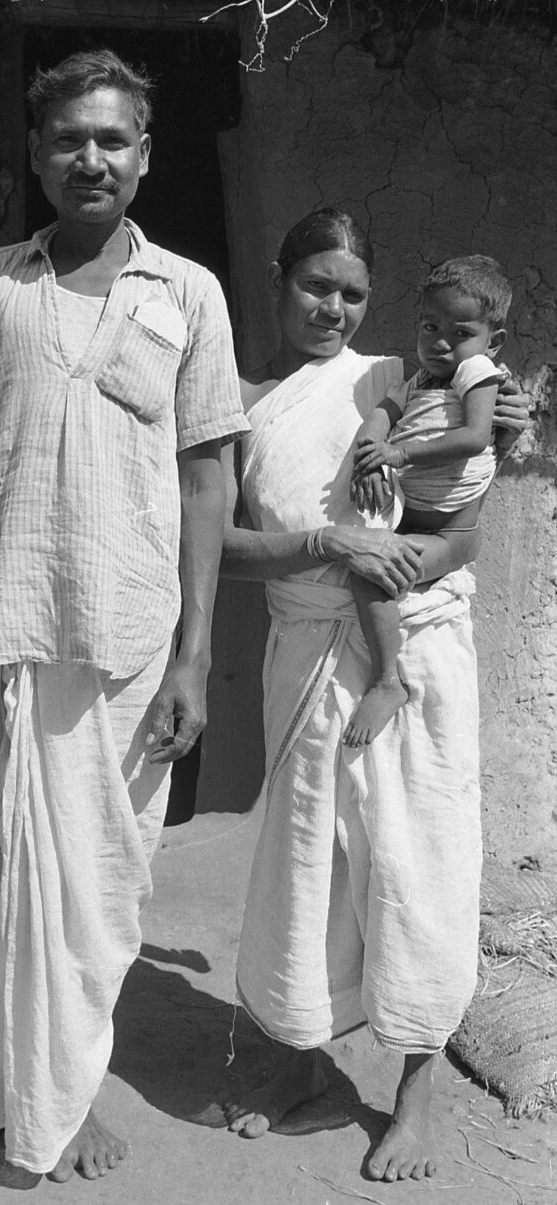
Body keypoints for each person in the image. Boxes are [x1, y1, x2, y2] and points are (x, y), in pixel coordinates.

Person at [0, 49, 248, 1179]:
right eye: (69, 138)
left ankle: (69, 1091)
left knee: (102, 889)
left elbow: (208, 475)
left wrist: (198, 654)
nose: (91, 157)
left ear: (145, 157)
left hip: (133, 633)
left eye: (113, 139)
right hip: (7, 622)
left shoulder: (189, 293)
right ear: (39, 153)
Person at [219, 209, 527, 1182]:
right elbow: (213, 550)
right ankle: (304, 1059)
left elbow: (467, 525)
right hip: (304, 645)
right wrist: (326, 545)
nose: (334, 308)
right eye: (317, 285)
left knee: (418, 855)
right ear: (280, 277)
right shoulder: (237, 399)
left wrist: (405, 564)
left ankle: (417, 1092)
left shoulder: (406, 375)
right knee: (306, 853)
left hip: (419, 639)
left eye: (352, 292)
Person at [342, 254, 511, 747]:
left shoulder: (478, 373)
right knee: (372, 559)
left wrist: (398, 453)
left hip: (450, 532)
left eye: (459, 333)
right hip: (412, 522)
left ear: (491, 342)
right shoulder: (419, 381)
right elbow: (382, 411)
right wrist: (369, 453)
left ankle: (387, 681)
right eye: (430, 326)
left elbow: (476, 438)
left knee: (370, 576)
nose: (440, 343)